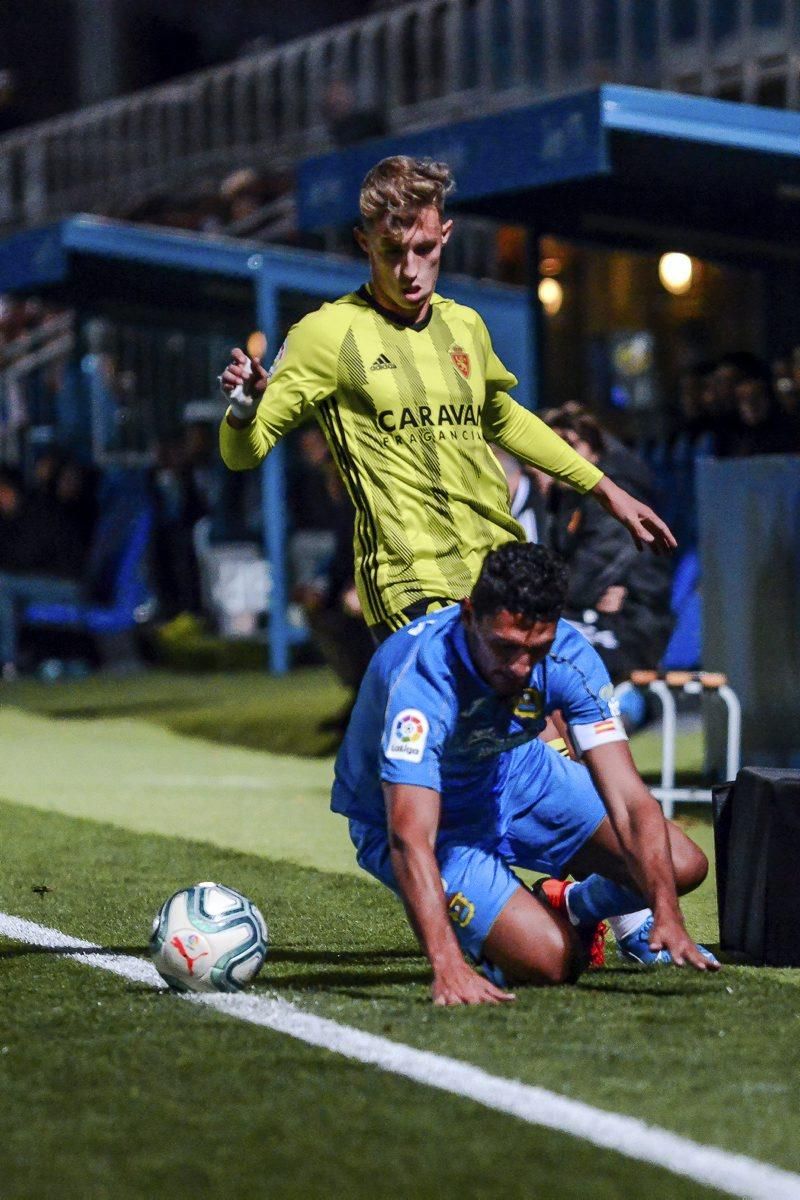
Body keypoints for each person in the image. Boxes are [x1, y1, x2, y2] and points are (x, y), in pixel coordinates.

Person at [219, 156, 675, 642]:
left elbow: (504, 420)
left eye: (424, 249)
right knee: (466, 708)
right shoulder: (327, 334)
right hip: (410, 585)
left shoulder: (465, 325)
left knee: (559, 713)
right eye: (392, 251)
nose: (410, 270)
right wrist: (245, 408)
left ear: (446, 235)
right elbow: (242, 452)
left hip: (497, 568)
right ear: (363, 242)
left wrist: (607, 490)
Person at [331, 543, 718, 1006]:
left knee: (681, 866)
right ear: (469, 613)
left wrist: (666, 911)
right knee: (555, 963)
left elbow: (632, 803)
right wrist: (447, 964)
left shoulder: (568, 655)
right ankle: (507, 940)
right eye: (505, 647)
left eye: (535, 650)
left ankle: (572, 906)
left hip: (516, 773)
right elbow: (409, 836)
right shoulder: (423, 679)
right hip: (428, 825)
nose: (519, 668)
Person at [542, 405, 674, 686]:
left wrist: (557, 597)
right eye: (552, 447)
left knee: (542, 649)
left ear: (593, 447)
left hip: (631, 624)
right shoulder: (563, 498)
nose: (560, 456)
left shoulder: (614, 499)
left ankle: (624, 714)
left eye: (570, 445)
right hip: (591, 617)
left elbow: (583, 581)